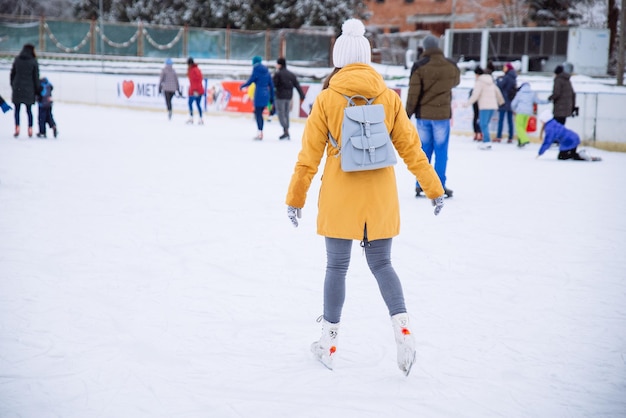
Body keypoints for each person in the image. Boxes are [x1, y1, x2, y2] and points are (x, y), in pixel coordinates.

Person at [284, 18, 445, 376]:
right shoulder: (388, 98)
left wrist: (295, 198)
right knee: (383, 265)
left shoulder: (326, 99)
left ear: (338, 59)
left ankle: (328, 343)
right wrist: (433, 187)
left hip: (341, 195)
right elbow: (412, 149)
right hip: (379, 196)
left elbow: (308, 157)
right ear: (368, 58)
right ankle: (403, 332)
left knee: (336, 267)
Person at [406, 34, 460, 198]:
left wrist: (407, 114)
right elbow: (456, 81)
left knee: (424, 152)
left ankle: (420, 184)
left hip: (424, 116)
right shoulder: (451, 65)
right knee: (441, 152)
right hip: (442, 116)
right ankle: (439, 186)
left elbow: (413, 93)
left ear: (425, 47)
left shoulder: (419, 66)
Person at [464, 66, 505, 150]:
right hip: (493, 106)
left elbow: (475, 94)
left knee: (483, 124)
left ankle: (486, 141)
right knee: (485, 124)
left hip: (484, 106)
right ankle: (486, 141)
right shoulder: (490, 81)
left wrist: (467, 103)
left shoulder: (479, 82)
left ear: (477, 75)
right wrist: (501, 102)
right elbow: (497, 91)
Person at [240, 56, 275, 140]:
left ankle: (260, 132)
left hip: (259, 94)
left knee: (258, 114)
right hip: (265, 94)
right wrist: (272, 97)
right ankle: (260, 131)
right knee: (260, 113)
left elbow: (251, 80)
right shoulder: (266, 70)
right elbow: (271, 84)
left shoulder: (256, 69)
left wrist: (243, 86)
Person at [10, 43, 40, 138]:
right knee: (29, 110)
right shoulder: (33, 61)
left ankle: (17, 127)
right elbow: (36, 77)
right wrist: (37, 90)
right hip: (29, 88)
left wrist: (14, 85)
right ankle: (30, 128)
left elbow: (12, 74)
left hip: (17, 87)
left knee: (17, 110)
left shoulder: (17, 60)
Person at [272, 57, 305, 140]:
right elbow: (297, 85)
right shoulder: (290, 74)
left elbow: (273, 84)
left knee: (281, 113)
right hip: (289, 97)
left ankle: (285, 130)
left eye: (277, 64)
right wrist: (302, 95)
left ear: (280, 65)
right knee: (286, 113)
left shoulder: (278, 74)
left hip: (280, 97)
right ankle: (286, 131)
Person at [510, 82, 549, 148]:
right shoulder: (532, 94)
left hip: (520, 112)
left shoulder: (519, 93)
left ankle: (525, 140)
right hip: (528, 113)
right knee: (523, 127)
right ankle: (520, 142)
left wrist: (514, 110)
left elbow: (513, 104)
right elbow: (539, 101)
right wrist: (548, 101)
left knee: (519, 127)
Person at [495, 62, 517, 143]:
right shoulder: (513, 77)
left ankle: (499, 136)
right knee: (510, 121)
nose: (503, 69)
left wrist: (497, 80)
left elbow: (500, 86)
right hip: (511, 102)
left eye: (504, 67)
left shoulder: (506, 77)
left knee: (501, 120)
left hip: (504, 101)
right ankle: (510, 137)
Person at [186, 57, 204, 125]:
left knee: (191, 103)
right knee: (198, 104)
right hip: (198, 89)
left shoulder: (193, 70)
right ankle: (200, 118)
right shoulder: (195, 69)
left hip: (195, 90)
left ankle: (192, 118)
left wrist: (195, 90)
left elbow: (196, 81)